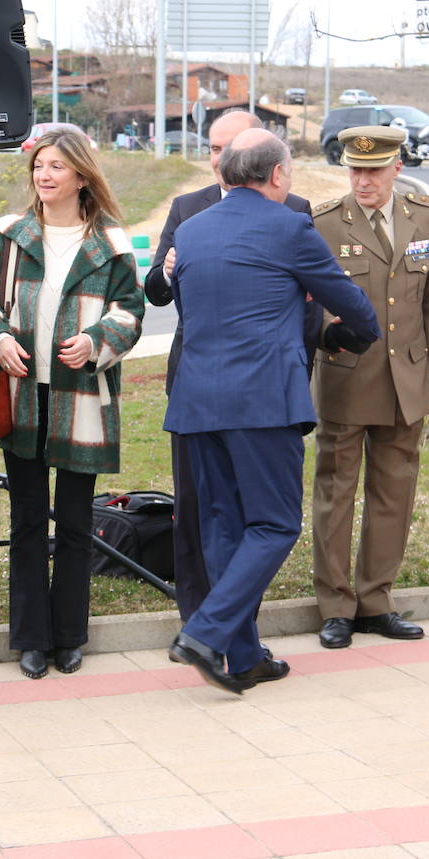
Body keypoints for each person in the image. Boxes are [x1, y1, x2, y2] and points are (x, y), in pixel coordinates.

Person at [164, 129, 378, 693]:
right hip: (260, 401)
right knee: (275, 522)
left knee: (221, 526)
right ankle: (205, 633)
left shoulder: (190, 229)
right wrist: (356, 335)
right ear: (278, 175)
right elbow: (351, 303)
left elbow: (187, 305)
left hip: (196, 400)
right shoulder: (290, 227)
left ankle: (243, 656)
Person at [0, 128, 145, 680]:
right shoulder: (9, 234)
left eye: (56, 166)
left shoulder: (112, 242)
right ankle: (29, 638)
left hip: (82, 395)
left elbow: (130, 312)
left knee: (73, 522)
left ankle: (70, 635)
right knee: (26, 518)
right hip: (22, 392)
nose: (44, 175)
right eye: (39, 166)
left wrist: (97, 342)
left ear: (81, 175)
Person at [144, 108, 316, 623]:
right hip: (197, 387)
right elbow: (154, 292)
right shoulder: (186, 208)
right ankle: (198, 621)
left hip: (267, 389)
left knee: (257, 514)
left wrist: (297, 372)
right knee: (198, 510)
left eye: (229, 148)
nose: (220, 159)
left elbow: (309, 306)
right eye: (213, 149)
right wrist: (167, 271)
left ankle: (238, 629)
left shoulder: (297, 208)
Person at [310, 125, 429, 648]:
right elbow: (312, 304)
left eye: (373, 169)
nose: (363, 180)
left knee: (394, 491)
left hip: (407, 378)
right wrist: (328, 338)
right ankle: (335, 605)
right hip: (348, 376)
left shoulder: (428, 219)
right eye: (354, 169)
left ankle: (375, 599)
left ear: (397, 167)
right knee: (335, 491)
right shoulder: (324, 223)